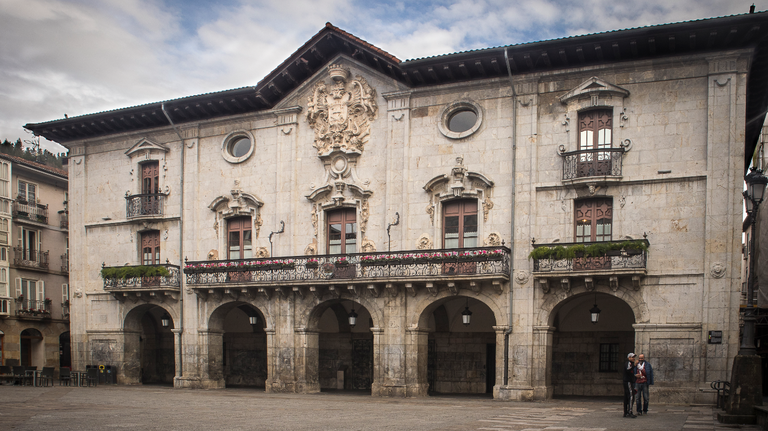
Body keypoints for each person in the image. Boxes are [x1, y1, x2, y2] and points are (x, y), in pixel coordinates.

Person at [623, 353, 637, 418]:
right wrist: (634, 365)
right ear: (629, 358)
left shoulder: (630, 364)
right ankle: (629, 411)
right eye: (632, 357)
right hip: (628, 382)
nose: (633, 358)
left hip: (628, 381)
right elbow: (628, 370)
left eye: (634, 357)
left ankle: (626, 412)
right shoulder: (628, 363)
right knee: (631, 396)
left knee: (627, 396)